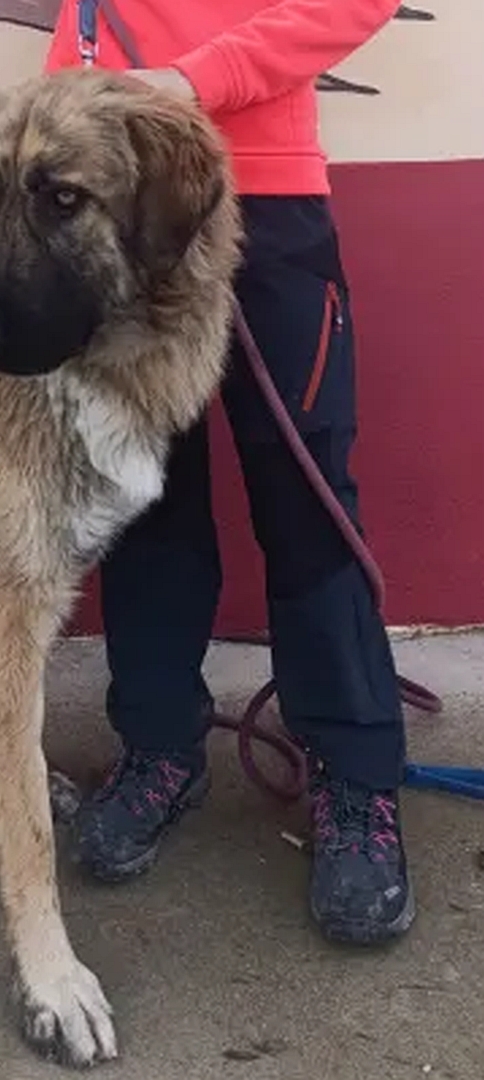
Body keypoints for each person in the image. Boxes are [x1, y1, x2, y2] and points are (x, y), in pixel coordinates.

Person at [44, 0, 414, 944]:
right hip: (122, 220)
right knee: (143, 500)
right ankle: (161, 746)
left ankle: (356, 774)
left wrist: (193, 84)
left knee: (307, 499)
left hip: (266, 202)